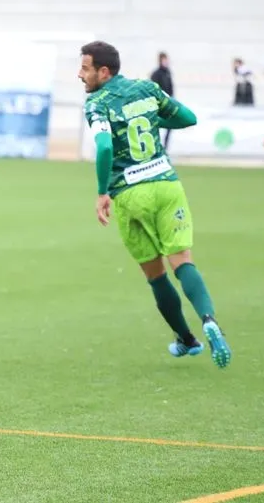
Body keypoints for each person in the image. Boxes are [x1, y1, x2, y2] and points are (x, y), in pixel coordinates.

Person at [79, 41, 231, 369]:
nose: (80, 74)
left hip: (130, 193)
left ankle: (186, 338)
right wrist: (150, 120)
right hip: (166, 184)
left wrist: (102, 192)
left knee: (156, 275)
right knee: (183, 262)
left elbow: (104, 148)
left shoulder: (97, 103)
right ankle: (209, 320)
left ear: (104, 72)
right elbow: (188, 118)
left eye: (85, 68)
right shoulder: (147, 89)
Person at [149, 52, 174, 149]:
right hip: (158, 104)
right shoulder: (156, 74)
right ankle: (156, 145)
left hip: (168, 103)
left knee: (170, 125)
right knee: (156, 125)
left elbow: (171, 87)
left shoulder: (168, 72)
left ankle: (165, 146)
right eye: (164, 59)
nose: (166, 61)